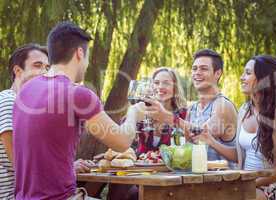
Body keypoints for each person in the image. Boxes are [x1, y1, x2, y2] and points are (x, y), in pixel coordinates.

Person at [13, 21, 145, 199]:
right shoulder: (77, 94)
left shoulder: (25, 91)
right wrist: (133, 114)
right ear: (79, 53)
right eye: (87, 57)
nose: (87, 63)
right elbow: (121, 142)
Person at [193, 55, 276, 200]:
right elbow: (240, 155)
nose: (242, 77)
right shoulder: (244, 110)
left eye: (248, 73)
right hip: (247, 185)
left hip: (275, 189)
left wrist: (251, 184)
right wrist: (210, 141)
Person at [144, 49, 237, 167]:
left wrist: (168, 117)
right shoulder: (192, 108)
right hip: (196, 179)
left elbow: (201, 135)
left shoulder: (223, 105)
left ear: (217, 73)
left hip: (222, 181)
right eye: (194, 68)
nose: (197, 72)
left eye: (203, 69)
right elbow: (189, 145)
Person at [107, 67, 187, 200]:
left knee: (134, 194)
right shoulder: (141, 111)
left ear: (175, 88)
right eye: (156, 83)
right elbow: (123, 137)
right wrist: (132, 114)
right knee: (118, 185)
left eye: (166, 83)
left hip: (170, 176)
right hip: (141, 173)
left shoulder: (183, 114)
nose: (160, 87)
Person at [0, 43, 49, 199]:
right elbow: (20, 163)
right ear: (18, 71)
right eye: (37, 65)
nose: (45, 72)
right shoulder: (9, 101)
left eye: (47, 68)